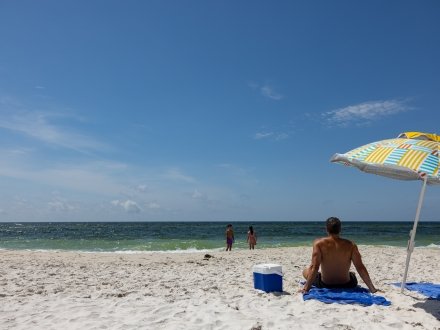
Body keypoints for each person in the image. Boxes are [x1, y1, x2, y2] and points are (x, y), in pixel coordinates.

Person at [300, 217, 378, 293]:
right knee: (352, 274)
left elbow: (315, 267)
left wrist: (306, 289)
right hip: (347, 284)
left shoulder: (318, 243)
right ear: (340, 229)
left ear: (326, 229)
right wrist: (372, 289)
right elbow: (360, 267)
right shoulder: (351, 245)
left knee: (305, 271)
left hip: (325, 284)